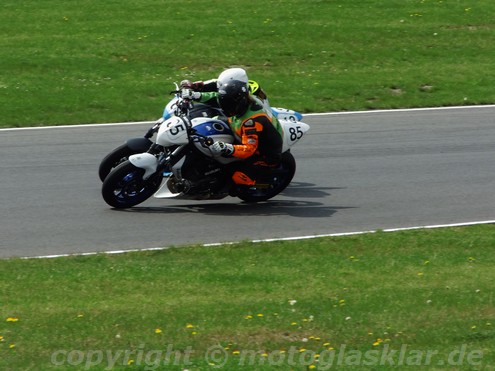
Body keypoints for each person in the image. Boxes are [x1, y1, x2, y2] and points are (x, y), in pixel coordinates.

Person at [180, 68, 283, 186]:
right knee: (209, 122)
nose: (225, 109)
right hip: (238, 125)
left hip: (262, 152)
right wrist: (195, 95)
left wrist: (227, 148)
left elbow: (249, 150)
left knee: (234, 176)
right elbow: (217, 96)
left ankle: (259, 184)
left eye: (228, 106)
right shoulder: (236, 98)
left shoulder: (252, 122)